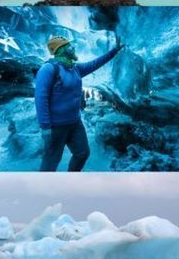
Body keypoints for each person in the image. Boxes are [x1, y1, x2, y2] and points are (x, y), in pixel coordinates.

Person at [35, 35, 123, 172]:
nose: (73, 47)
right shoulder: (48, 69)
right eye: (69, 45)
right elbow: (40, 98)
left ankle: (71, 182)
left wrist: (115, 50)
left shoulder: (74, 68)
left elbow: (95, 64)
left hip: (75, 123)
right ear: (61, 49)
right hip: (56, 126)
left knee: (82, 153)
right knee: (51, 161)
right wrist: (45, 126)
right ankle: (41, 189)